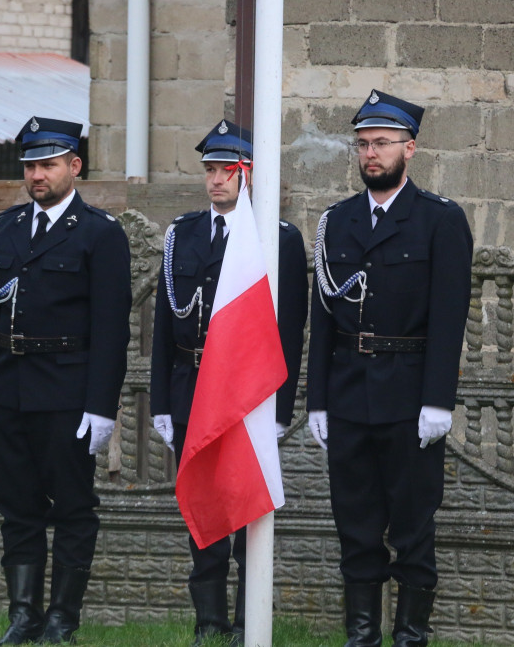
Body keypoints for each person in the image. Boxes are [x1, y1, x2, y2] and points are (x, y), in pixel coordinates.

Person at [306, 91, 473, 647]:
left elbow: (450, 317)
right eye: (363, 144)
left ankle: (410, 637)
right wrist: (318, 401)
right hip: (351, 395)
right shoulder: (337, 221)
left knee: (412, 528)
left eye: (382, 143)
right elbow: (323, 318)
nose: (370, 154)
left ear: (411, 149)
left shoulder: (439, 220)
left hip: (408, 397)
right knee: (354, 526)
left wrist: (438, 400)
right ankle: (362, 637)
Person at [0, 116, 132, 646]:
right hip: (8, 387)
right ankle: (23, 617)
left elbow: (112, 329)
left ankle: (61, 620)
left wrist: (101, 406)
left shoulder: (100, 233)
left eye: (48, 164)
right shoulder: (5, 228)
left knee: (74, 508)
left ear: (73, 167)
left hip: (67, 392)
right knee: (17, 507)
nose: (37, 175)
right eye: (30, 166)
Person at [149, 119, 309, 645]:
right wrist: (161, 402)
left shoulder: (275, 237)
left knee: (246, 507)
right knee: (205, 510)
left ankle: (247, 622)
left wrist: (281, 408)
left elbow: (290, 329)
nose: (216, 180)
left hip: (248, 394)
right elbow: (162, 328)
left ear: (249, 174)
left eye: (227, 171)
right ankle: (210, 623)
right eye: (210, 170)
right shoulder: (182, 234)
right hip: (193, 385)